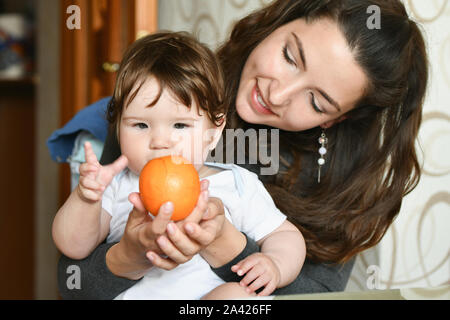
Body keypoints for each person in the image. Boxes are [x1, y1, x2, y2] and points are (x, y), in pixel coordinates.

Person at [56, 0, 428, 299]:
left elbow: (308, 292)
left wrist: (227, 246)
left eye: (316, 102)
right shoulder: (164, 104)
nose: (277, 94)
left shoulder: (272, 185)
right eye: (290, 56)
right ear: (278, 23)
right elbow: (72, 279)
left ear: (335, 119)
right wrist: (127, 256)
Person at [52, 31, 305, 299]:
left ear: (214, 130)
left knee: (238, 297)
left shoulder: (237, 184)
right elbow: (73, 246)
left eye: (180, 125)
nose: (160, 142)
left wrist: (274, 264)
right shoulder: (116, 185)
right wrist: (86, 197)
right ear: (118, 128)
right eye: (140, 125)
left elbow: (286, 236)